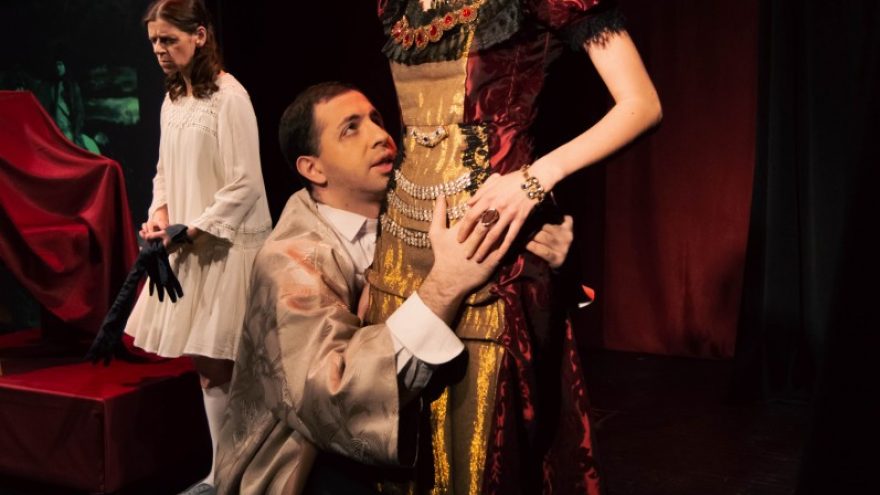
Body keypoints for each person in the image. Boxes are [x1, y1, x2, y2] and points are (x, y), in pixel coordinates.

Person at [213, 82, 573, 495]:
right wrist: (445, 287)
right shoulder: (288, 259)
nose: (380, 136)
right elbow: (331, 398)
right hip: (305, 458)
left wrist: (551, 264)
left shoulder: (419, 218)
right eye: (350, 128)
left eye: (376, 119)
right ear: (313, 169)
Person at [369, 0, 662, 493]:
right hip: (402, 238)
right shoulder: (395, 5)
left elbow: (641, 104)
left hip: (493, 241)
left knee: (486, 437)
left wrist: (536, 178)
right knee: (396, 420)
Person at [122, 0, 271, 492]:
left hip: (227, 248)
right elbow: (164, 171)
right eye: (154, 42)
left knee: (232, 367)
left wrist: (190, 230)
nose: (159, 50)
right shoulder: (172, 100)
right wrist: (159, 216)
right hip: (191, 246)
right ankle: (221, 472)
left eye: (168, 39)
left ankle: (242, 474)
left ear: (200, 35)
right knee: (208, 369)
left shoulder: (230, 96)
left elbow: (245, 184)